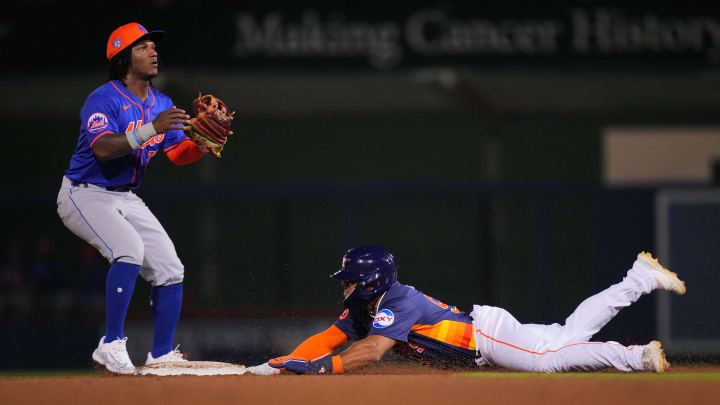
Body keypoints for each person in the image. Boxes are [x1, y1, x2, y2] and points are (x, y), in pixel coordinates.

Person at [247, 245, 686, 375]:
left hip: (483, 337)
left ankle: (633, 356)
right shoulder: (364, 304)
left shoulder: (396, 300)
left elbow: (374, 351)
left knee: (548, 363)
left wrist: (327, 369)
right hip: (485, 332)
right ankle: (640, 279)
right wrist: (291, 361)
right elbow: (329, 338)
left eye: (350, 279)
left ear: (371, 281)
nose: (344, 286)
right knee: (567, 333)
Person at [56, 23, 209, 374]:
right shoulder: (103, 98)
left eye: (154, 46)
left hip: (125, 197)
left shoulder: (161, 102)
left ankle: (161, 355)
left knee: (170, 268)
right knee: (128, 251)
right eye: (143, 47)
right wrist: (152, 128)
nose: (153, 51)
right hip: (84, 193)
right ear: (123, 57)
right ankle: (110, 344)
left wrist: (200, 144)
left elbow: (176, 154)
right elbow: (103, 148)